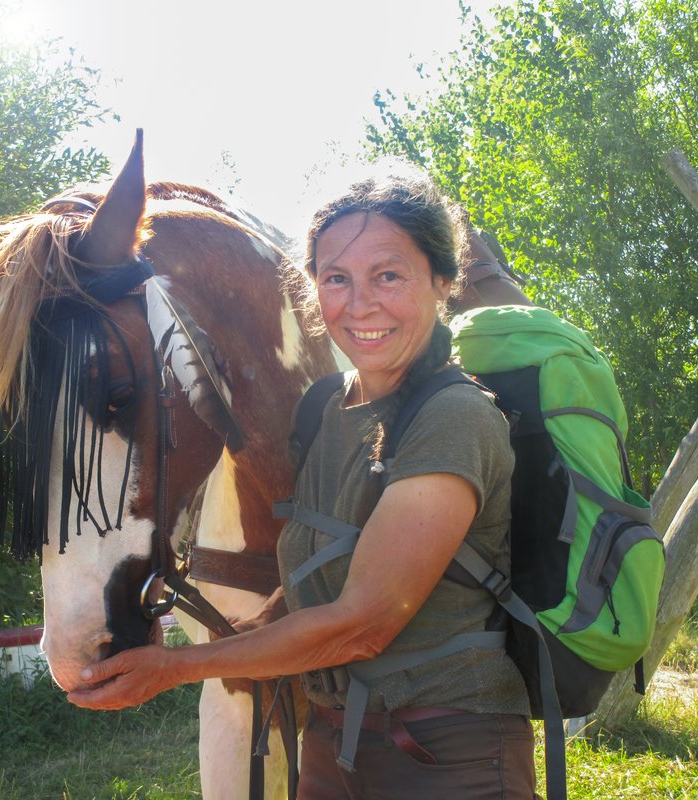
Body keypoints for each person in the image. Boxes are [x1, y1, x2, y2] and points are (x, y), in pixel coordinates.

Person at [69, 173, 537, 799]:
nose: (360, 303)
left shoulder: (455, 418)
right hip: (332, 750)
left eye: (389, 276)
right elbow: (322, 577)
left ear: (442, 283)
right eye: (336, 278)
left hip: (447, 755)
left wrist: (175, 668)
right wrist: (250, 630)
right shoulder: (326, 412)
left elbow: (362, 623)